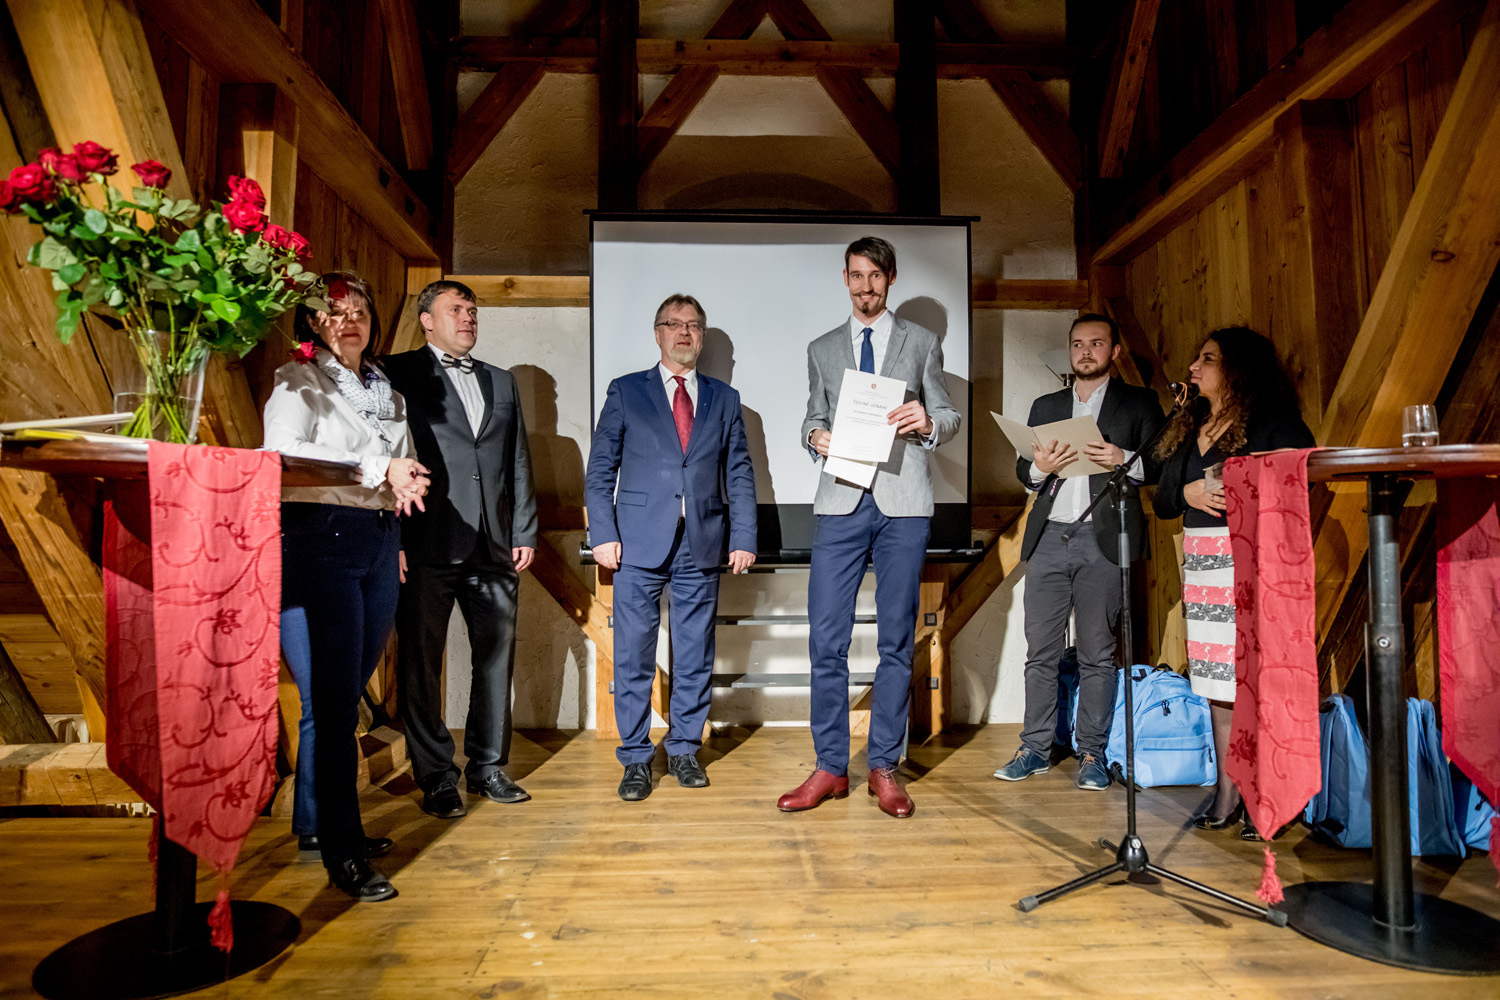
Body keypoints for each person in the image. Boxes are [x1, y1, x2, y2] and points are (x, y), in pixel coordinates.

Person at [777, 236, 960, 819]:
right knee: (825, 640)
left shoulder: (921, 342)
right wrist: (814, 436)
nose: (865, 286)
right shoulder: (822, 348)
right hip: (840, 502)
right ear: (845, 278)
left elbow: (949, 415)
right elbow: (812, 415)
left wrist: (927, 420)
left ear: (891, 278)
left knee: (895, 640)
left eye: (875, 276)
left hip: (903, 504)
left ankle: (883, 766)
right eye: (856, 275)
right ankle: (831, 766)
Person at [264, 271, 430, 901]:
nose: (349, 321)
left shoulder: (386, 388)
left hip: (379, 539)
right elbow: (281, 454)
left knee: (342, 698)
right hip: (319, 538)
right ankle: (343, 851)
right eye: (334, 313)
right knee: (333, 708)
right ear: (312, 322)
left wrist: (401, 507)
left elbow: (397, 468)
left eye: (359, 310)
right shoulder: (297, 379)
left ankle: (317, 824)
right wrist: (379, 467)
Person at [585, 294, 758, 801]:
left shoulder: (725, 398)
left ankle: (684, 749)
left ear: (702, 337)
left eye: (694, 325)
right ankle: (636, 758)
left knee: (695, 654)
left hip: (702, 542)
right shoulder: (626, 391)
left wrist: (744, 536)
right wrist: (603, 533)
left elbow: (739, 473)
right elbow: (601, 469)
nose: (684, 332)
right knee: (633, 655)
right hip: (636, 543)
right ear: (657, 333)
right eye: (674, 324)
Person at [382, 280, 538, 818]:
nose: (468, 318)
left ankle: (488, 766)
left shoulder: (501, 380)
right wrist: (394, 538)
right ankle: (435, 776)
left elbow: (517, 459)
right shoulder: (396, 373)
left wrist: (523, 530)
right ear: (427, 320)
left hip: (494, 544)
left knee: (495, 660)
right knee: (421, 665)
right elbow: (385, 453)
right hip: (425, 539)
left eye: (472, 310)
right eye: (456, 309)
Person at [1151, 327, 1314, 839]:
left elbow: (1300, 478)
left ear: (1238, 369)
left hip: (1251, 561)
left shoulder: (1272, 421)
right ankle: (1228, 791)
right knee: (1217, 686)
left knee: (1256, 680)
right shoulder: (1190, 424)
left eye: (1208, 359)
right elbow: (1162, 501)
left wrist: (1237, 490)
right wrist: (1189, 493)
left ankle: (1270, 792)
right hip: (1203, 567)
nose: (1193, 368)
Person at [994, 314, 1164, 790]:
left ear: (1114, 351)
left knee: (1096, 653)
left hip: (1103, 537)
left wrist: (1124, 459)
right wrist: (1039, 467)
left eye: (1096, 343)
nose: (1085, 352)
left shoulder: (1139, 403)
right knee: (1040, 652)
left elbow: (1162, 465)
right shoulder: (1047, 405)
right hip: (1049, 536)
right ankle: (1034, 748)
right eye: (1077, 344)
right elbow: (1024, 472)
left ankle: (1092, 752)